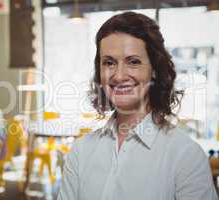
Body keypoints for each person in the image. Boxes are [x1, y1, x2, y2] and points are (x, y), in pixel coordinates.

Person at [57, 12, 218, 200]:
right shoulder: (80, 153)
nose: (118, 75)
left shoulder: (186, 156)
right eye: (109, 63)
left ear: (155, 70)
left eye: (133, 62)